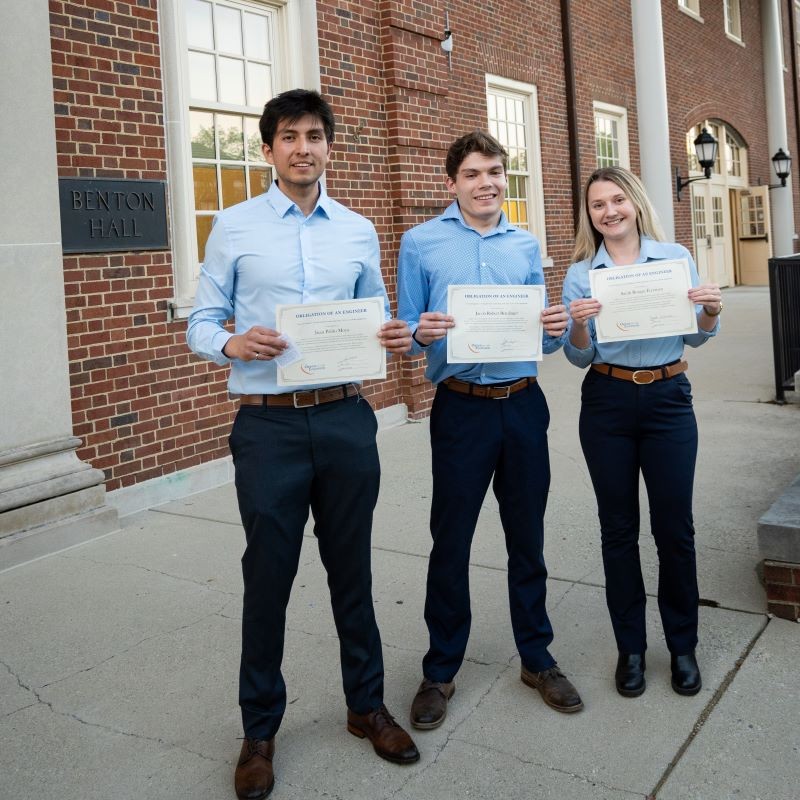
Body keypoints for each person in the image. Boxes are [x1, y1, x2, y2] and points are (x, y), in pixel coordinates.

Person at [187, 89, 419, 800]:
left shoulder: (355, 228)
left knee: (353, 570)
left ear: (329, 146)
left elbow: (379, 308)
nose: (303, 147)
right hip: (268, 426)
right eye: (289, 136)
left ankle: (365, 706)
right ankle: (259, 733)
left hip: (347, 419)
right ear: (268, 149)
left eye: (315, 135)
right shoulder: (232, 226)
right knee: (269, 579)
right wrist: (230, 340)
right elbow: (200, 319)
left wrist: (392, 332)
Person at [397, 130, 584, 731]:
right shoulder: (419, 243)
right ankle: (441, 668)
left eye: (497, 172)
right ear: (450, 183)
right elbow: (404, 330)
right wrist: (420, 332)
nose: (487, 183)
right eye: (474, 173)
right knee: (451, 540)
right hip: (461, 408)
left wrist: (555, 325)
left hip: (523, 404)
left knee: (526, 537)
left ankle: (537, 657)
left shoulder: (525, 244)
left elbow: (544, 335)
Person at [561, 166, 721, 700]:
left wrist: (711, 312)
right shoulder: (582, 273)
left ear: (634, 202)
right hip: (606, 402)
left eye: (616, 200)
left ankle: (682, 647)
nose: (609, 211)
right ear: (590, 215)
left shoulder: (673, 259)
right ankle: (630, 647)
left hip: (668, 400)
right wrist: (579, 322)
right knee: (618, 530)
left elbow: (697, 337)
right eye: (597, 205)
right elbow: (578, 354)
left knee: (675, 529)